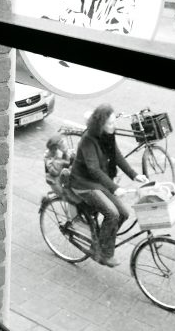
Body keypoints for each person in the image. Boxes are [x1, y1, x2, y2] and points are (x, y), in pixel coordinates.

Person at [69, 104, 147, 267]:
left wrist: (134, 175)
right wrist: (114, 187)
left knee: (123, 213)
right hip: (84, 183)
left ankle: (101, 243)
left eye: (114, 122)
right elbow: (93, 169)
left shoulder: (108, 134)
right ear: (100, 124)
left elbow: (116, 155)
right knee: (112, 213)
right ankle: (102, 253)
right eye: (110, 123)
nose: (114, 126)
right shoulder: (88, 140)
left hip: (98, 183)